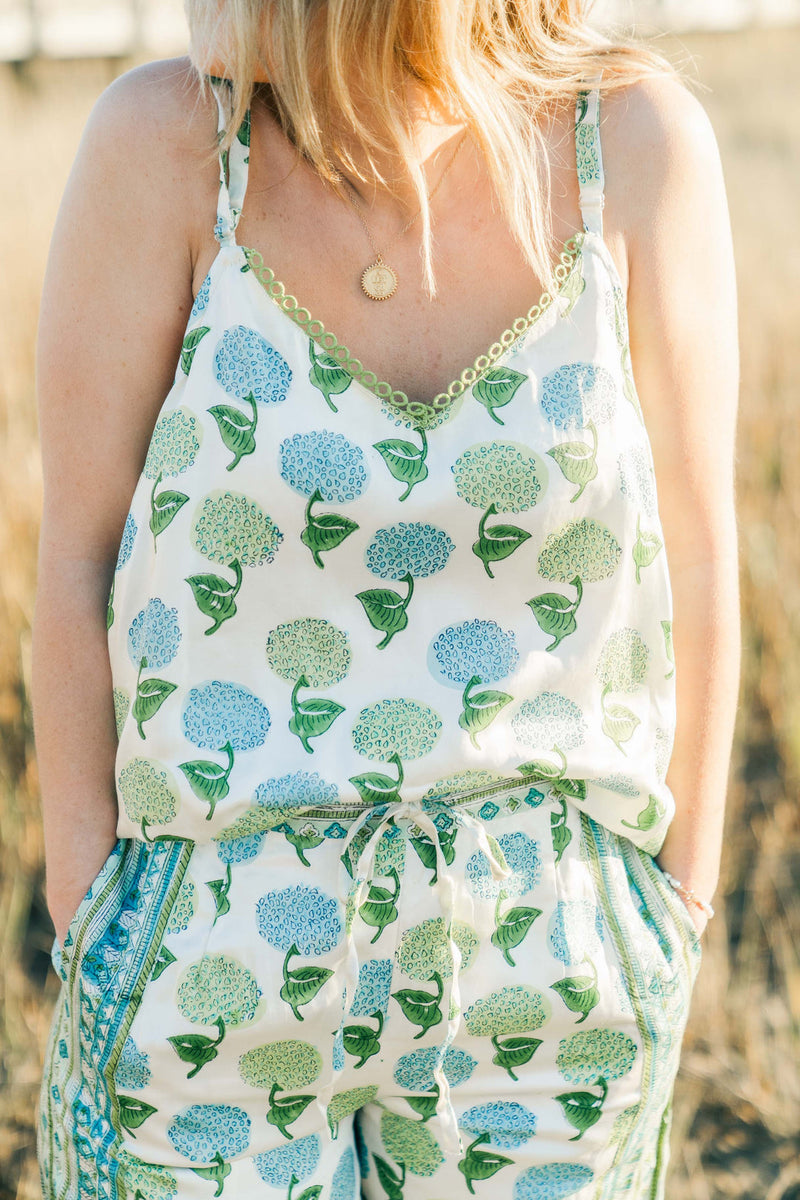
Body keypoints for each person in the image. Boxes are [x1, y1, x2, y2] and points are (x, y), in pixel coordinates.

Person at [31, 2, 740, 1197]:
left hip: (551, 983)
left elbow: (701, 545)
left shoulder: (633, 148)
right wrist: (91, 909)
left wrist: (673, 905)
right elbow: (77, 559)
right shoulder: (160, 150)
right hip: (208, 955)